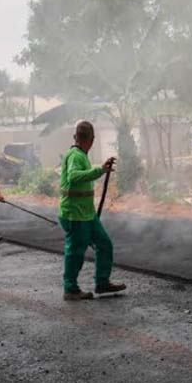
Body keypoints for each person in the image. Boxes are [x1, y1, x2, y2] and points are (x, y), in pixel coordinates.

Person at [58, 120, 126, 301]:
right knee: (75, 251)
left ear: (76, 136)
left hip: (86, 214)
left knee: (104, 244)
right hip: (75, 214)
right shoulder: (75, 155)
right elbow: (73, 176)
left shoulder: (80, 154)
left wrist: (101, 170)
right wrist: (100, 170)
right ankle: (70, 289)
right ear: (92, 139)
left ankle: (102, 283)